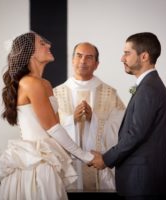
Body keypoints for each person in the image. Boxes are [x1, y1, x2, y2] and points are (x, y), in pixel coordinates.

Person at [0, 32, 94, 200]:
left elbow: (56, 127)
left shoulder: (45, 83)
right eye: (42, 44)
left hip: (47, 159)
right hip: (34, 165)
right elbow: (53, 128)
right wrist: (86, 156)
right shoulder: (31, 83)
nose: (49, 45)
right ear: (30, 52)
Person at [91, 32, 166, 199]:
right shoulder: (148, 85)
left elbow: (135, 134)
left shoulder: (149, 88)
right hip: (141, 180)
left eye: (127, 53)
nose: (122, 58)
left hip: (142, 183)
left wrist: (106, 159)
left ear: (144, 56)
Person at [53, 42, 125, 191]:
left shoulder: (109, 93)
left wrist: (95, 120)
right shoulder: (56, 93)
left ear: (97, 64)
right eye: (79, 56)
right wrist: (70, 120)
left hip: (98, 165)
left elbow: (121, 129)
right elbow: (48, 128)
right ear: (72, 60)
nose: (83, 61)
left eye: (89, 57)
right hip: (68, 168)